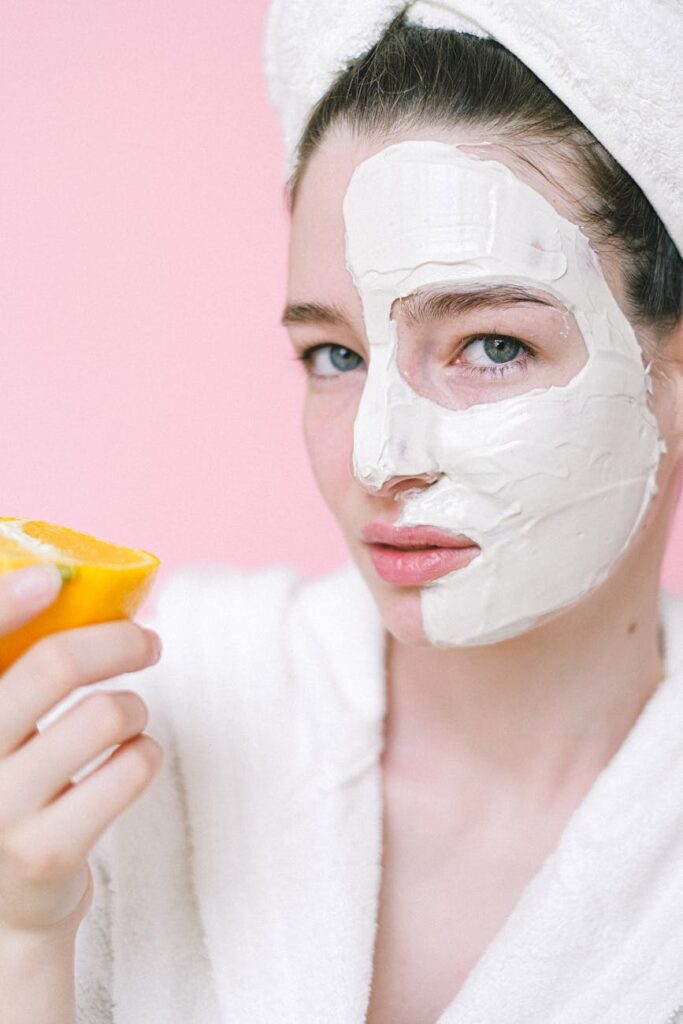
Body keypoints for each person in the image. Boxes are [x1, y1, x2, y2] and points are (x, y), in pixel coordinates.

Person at [1, 4, 681, 1023]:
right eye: (335, 357)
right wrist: (19, 938)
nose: (375, 457)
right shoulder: (130, 739)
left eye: (490, 345)